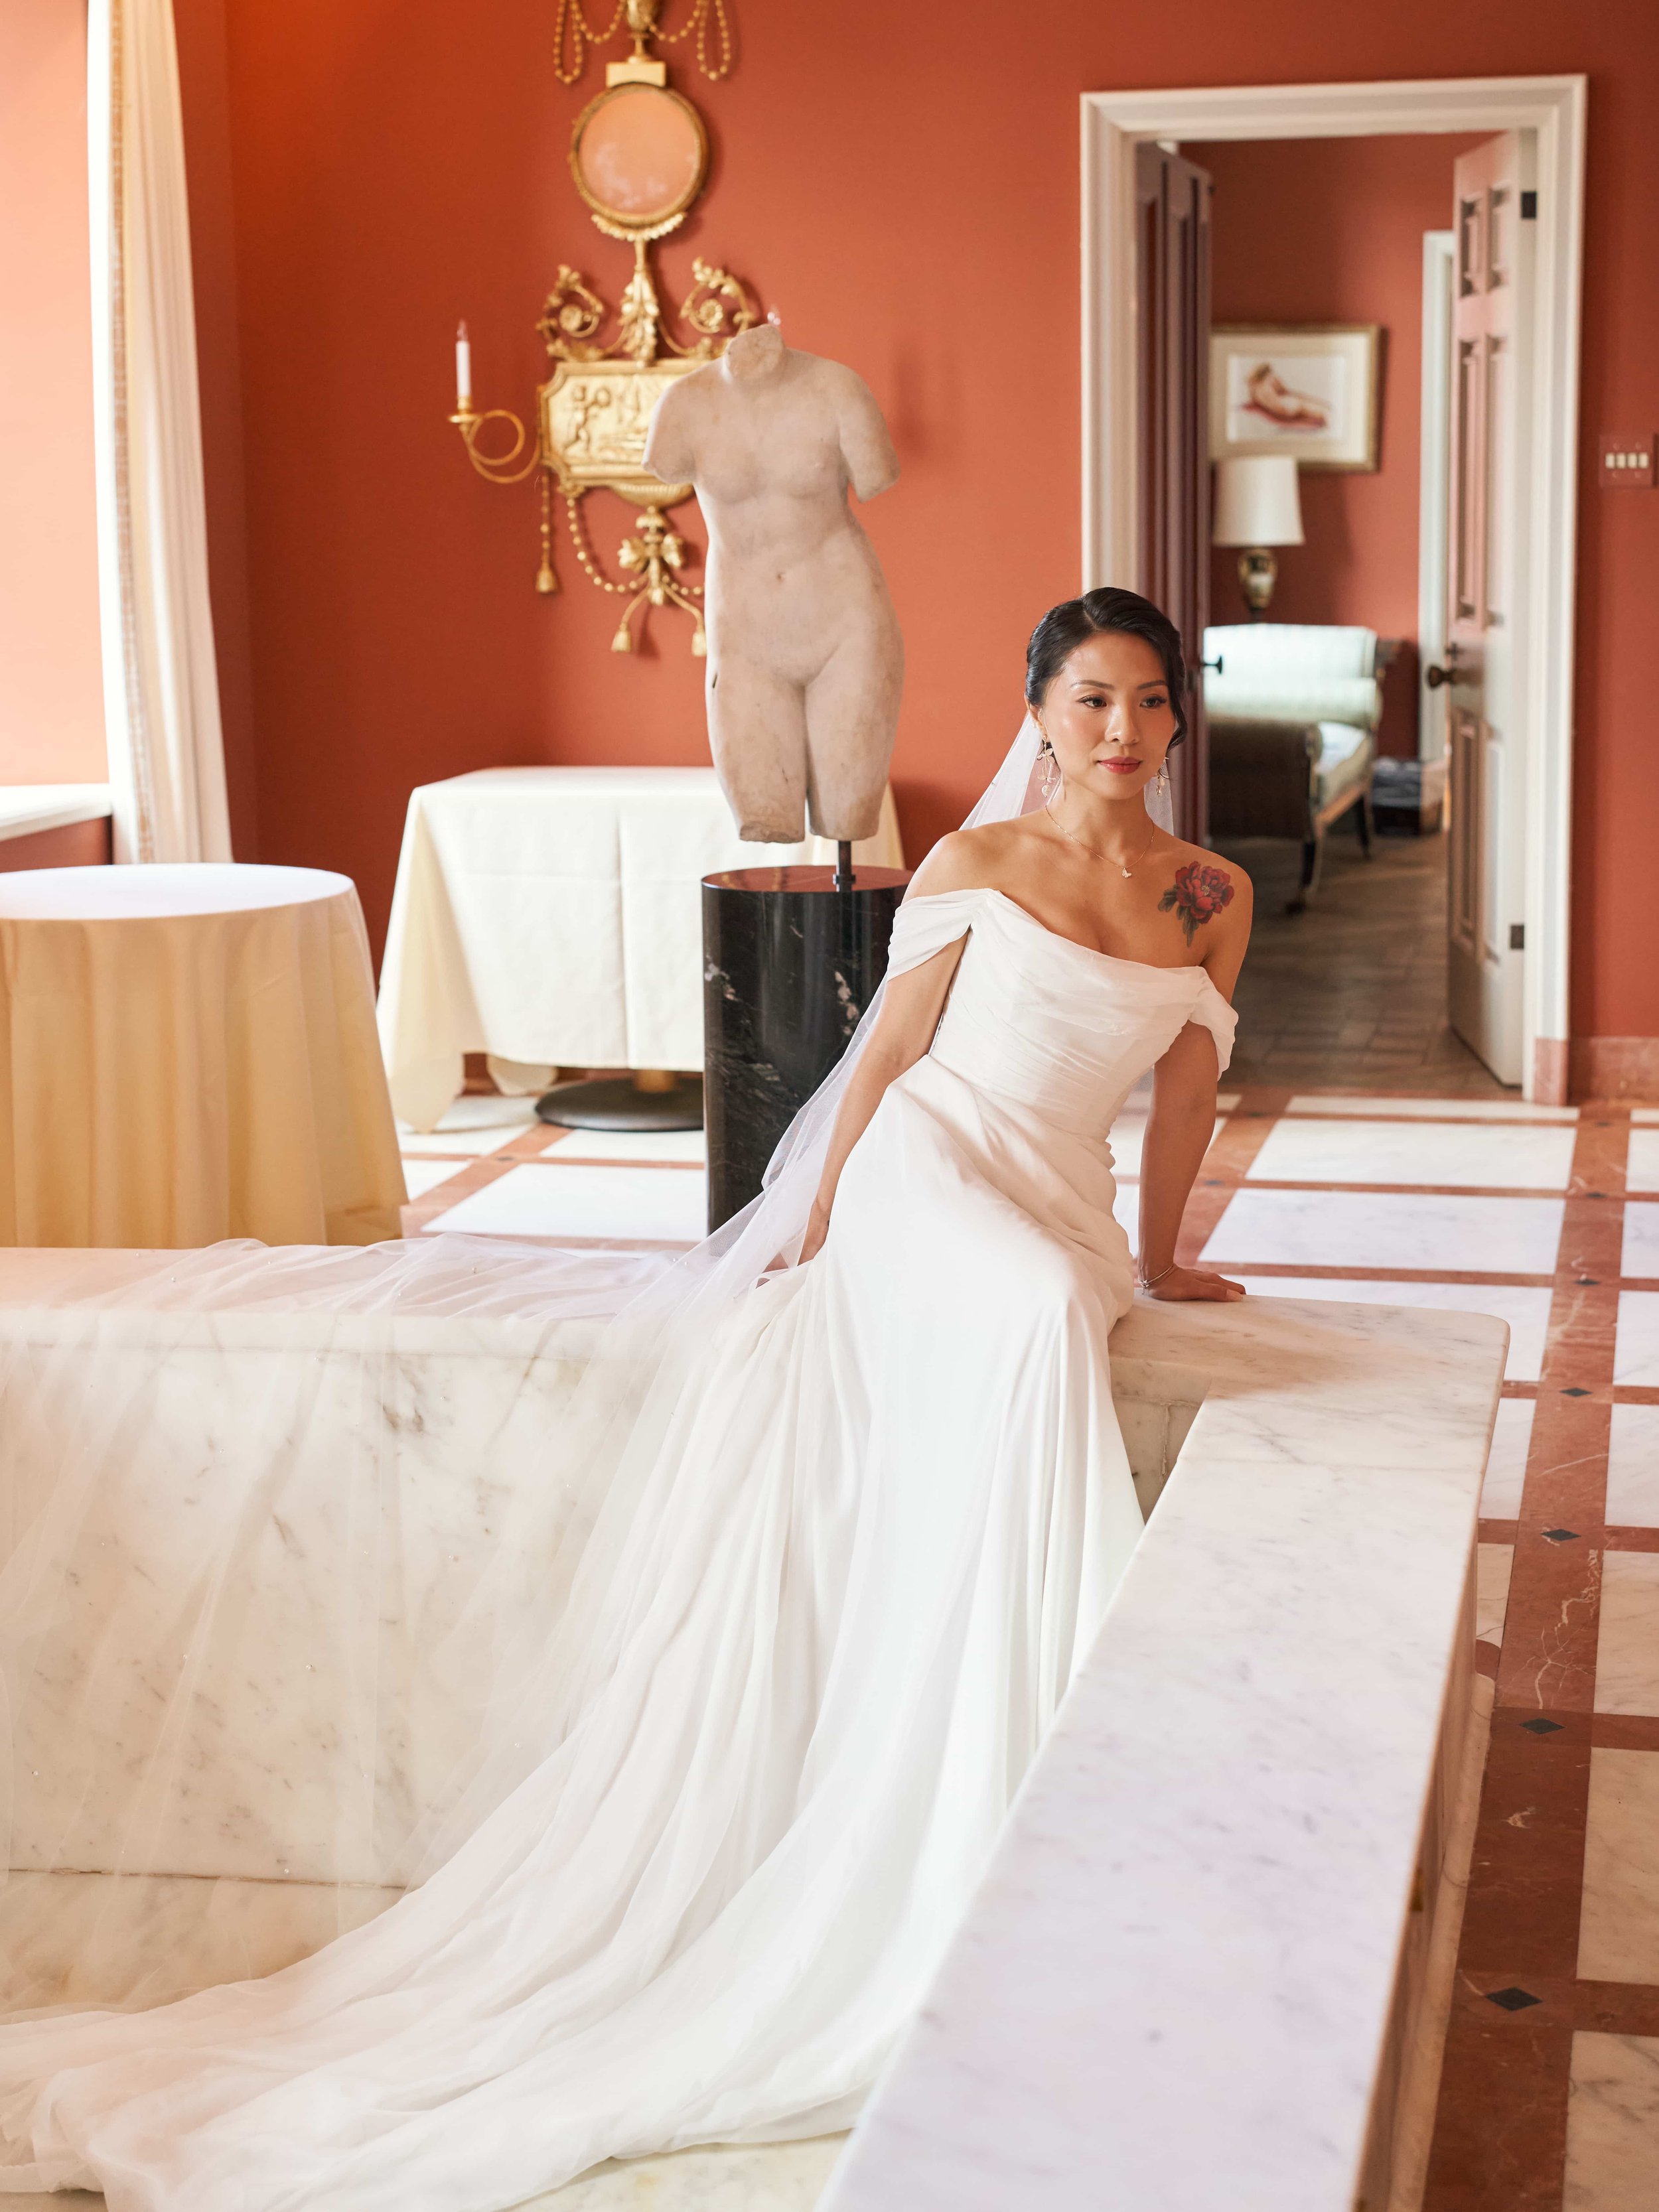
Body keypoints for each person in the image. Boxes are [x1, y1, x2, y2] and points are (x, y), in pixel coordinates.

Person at [0, 589, 1250, 2209]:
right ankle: (1014, 1800)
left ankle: (1028, 1814)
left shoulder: (1205, 896)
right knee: (1014, 1325)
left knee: (1047, 1308)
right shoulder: (976, 868)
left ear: (1174, 721)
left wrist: (1162, 1260)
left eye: (1148, 701)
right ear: (1035, 708)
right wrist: (809, 1223)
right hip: (932, 1177)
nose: (1119, 731)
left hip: (1063, 1206)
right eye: (1089, 697)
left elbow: (1184, 1094)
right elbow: (880, 1066)